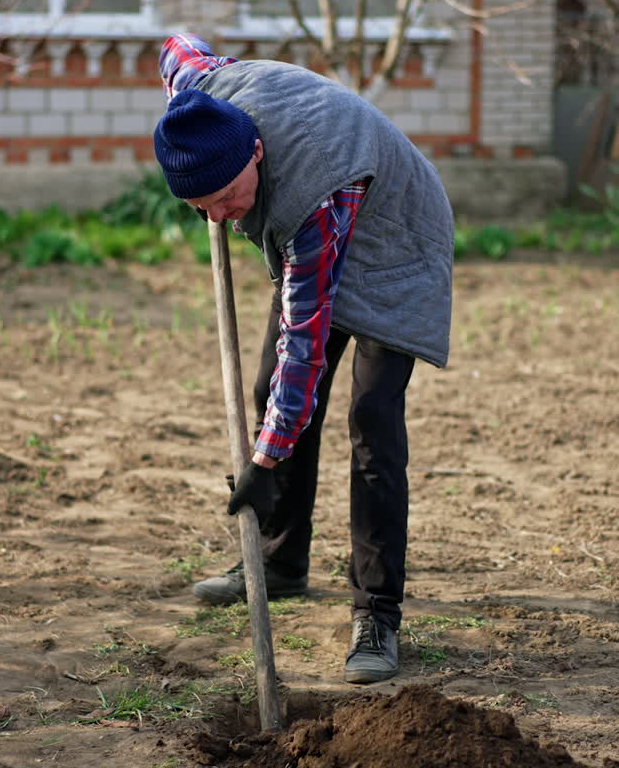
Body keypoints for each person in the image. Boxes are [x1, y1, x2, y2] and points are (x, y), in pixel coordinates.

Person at [153, 34, 454, 685]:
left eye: (231, 198)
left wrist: (264, 461)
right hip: (332, 213)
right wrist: (274, 442)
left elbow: (305, 348)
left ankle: (377, 611)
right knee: (270, 391)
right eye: (203, 208)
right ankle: (281, 564)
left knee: (371, 417)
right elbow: (177, 46)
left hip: (397, 239)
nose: (223, 216)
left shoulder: (309, 198)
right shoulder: (200, 104)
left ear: (255, 152)